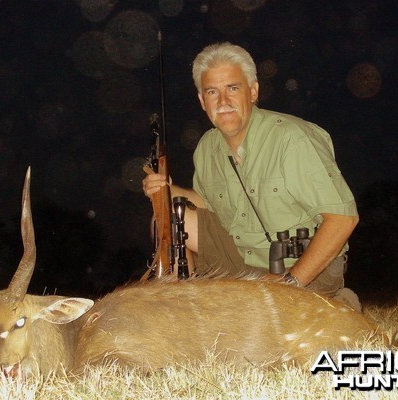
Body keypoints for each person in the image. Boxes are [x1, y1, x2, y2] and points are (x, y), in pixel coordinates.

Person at [143, 42, 361, 311]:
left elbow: (343, 218)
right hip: (243, 262)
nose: (223, 102)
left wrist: (290, 282)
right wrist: (166, 189)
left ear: (253, 91)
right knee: (168, 217)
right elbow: (207, 203)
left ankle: (336, 305)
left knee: (265, 326)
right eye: (212, 91)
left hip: (303, 269)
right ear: (202, 101)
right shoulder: (206, 148)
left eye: (233, 88)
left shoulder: (291, 138)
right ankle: (179, 306)